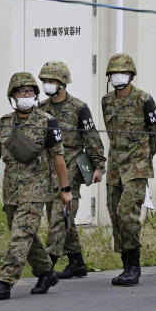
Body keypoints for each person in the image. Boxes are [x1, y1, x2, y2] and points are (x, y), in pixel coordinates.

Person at [0, 72, 72, 300]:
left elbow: (59, 158)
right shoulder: (4, 123)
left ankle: (4, 282)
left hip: (36, 191)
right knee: (27, 235)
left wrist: (65, 190)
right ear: (13, 95)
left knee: (20, 235)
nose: (26, 95)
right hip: (11, 191)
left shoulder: (47, 122)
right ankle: (46, 272)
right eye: (21, 91)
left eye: (30, 91)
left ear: (36, 95)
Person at [38, 61, 106, 279]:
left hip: (72, 168)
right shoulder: (42, 109)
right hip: (49, 170)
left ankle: (48, 264)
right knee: (58, 214)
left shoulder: (79, 107)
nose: (48, 85)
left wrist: (98, 166)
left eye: (52, 81)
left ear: (62, 83)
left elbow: (91, 137)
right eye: (45, 81)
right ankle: (77, 262)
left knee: (61, 214)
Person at [102, 53, 156, 286]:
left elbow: (155, 133)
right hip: (115, 164)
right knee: (114, 212)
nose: (118, 77)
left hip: (137, 165)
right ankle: (125, 262)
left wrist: (144, 157)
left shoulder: (144, 99)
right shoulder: (106, 100)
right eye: (114, 73)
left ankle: (134, 265)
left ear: (131, 75)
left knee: (127, 212)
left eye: (123, 73)